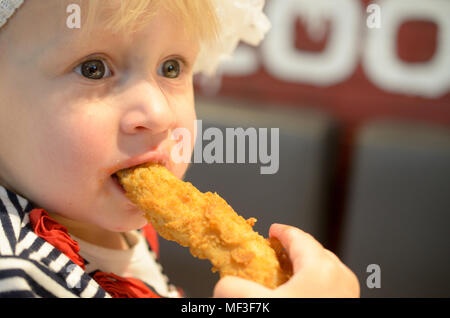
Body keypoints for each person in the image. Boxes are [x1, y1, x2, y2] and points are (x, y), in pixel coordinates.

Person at [0, 0, 359, 298]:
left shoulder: (111, 225)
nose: (157, 113)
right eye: (93, 69)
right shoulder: (16, 273)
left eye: (171, 68)